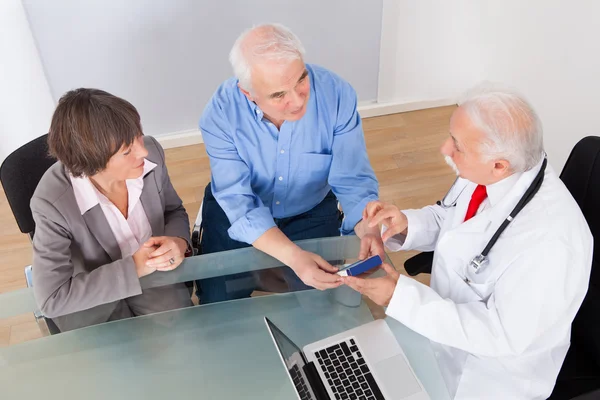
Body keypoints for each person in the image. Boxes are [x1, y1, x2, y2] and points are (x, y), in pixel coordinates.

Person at [343, 84, 593, 399]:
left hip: (485, 379)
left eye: (457, 145)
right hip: (438, 337)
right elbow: (450, 218)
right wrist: (406, 225)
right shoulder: (492, 170)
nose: (445, 149)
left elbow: (502, 336)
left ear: (499, 164)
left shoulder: (552, 244)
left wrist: (399, 297)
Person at [197, 23, 383, 303]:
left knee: (323, 299)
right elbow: (238, 200)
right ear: (249, 94)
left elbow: (352, 177)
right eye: (278, 95)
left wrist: (367, 227)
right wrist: (294, 257)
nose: (297, 101)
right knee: (217, 300)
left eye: (301, 80)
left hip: (311, 208)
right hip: (239, 210)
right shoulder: (220, 113)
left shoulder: (337, 93)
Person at [31, 88, 193, 332]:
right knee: (121, 360)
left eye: (139, 135)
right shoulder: (51, 203)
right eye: (127, 150)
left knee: (187, 337)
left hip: (154, 279)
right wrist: (134, 267)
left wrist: (178, 241)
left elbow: (174, 211)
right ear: (91, 164)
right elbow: (52, 298)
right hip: (91, 296)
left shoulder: (153, 156)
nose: (143, 151)